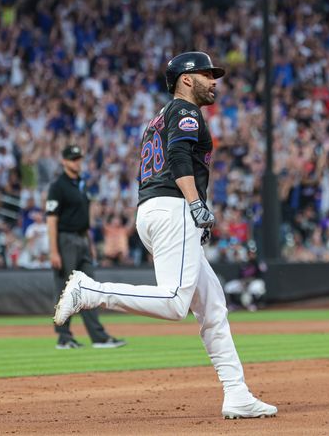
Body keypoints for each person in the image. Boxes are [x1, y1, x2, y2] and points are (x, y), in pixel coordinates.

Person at [53, 51, 277, 419]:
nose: (213, 81)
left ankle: (236, 393)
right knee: (175, 302)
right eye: (206, 74)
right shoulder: (185, 110)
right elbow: (177, 155)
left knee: (213, 306)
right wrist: (194, 204)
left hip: (155, 208)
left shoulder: (160, 117)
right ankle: (90, 291)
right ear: (186, 80)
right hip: (173, 206)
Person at [46, 144, 125, 350]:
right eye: (73, 159)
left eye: (79, 158)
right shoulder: (57, 186)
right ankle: (63, 337)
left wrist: (88, 243)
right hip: (65, 240)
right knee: (64, 289)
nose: (77, 162)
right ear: (64, 161)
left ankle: (99, 338)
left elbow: (84, 218)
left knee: (89, 289)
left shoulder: (80, 184)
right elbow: (51, 220)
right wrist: (54, 251)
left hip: (82, 239)